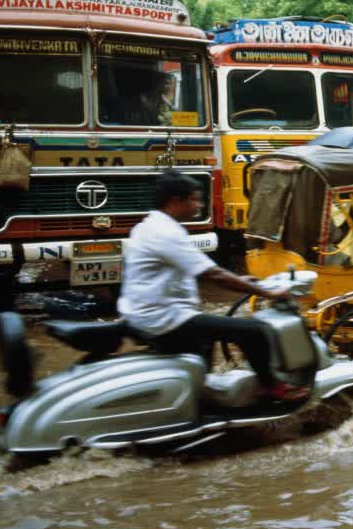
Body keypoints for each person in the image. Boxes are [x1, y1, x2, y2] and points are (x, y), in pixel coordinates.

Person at [118, 171, 308, 401]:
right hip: (163, 319)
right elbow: (214, 274)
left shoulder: (148, 226)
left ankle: (200, 393)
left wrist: (242, 281)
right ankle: (271, 387)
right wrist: (268, 292)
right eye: (195, 199)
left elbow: (193, 271)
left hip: (144, 314)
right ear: (176, 201)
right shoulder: (166, 233)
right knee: (255, 331)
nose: (198, 205)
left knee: (208, 337)